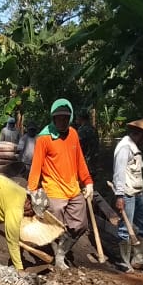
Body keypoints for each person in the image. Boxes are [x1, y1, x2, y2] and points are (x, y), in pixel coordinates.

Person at [27, 99, 94, 269]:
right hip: (54, 189)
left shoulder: (73, 134)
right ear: (53, 118)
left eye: (65, 118)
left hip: (73, 188)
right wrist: (32, 189)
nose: (62, 121)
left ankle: (61, 251)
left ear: (70, 117)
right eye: (59, 118)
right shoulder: (44, 138)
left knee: (81, 224)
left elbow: (80, 160)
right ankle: (58, 256)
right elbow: (36, 165)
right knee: (56, 225)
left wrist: (88, 181)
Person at [112, 117, 143, 271]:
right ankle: (123, 261)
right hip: (126, 193)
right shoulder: (125, 148)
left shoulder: (134, 147)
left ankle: (139, 259)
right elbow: (119, 172)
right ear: (140, 135)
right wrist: (119, 196)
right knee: (125, 228)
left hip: (137, 192)